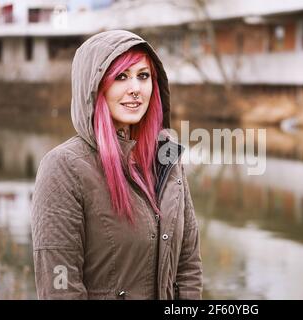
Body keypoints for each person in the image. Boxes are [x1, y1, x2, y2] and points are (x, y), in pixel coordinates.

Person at [31, 30, 202, 300]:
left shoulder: (168, 158)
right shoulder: (63, 168)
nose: (135, 88)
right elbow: (60, 286)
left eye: (143, 76)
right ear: (95, 86)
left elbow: (188, 265)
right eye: (121, 76)